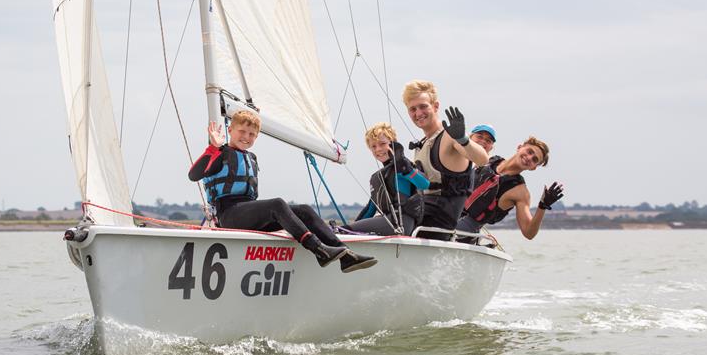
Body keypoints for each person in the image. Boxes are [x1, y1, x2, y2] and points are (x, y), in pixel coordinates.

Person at [188, 110, 377, 273]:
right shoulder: (220, 153)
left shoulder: (250, 157)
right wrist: (213, 147)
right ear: (230, 130)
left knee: (303, 210)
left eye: (252, 134)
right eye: (242, 131)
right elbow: (194, 174)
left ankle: (346, 255)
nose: (246, 136)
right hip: (228, 215)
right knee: (277, 204)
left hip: (246, 212)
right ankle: (319, 251)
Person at [402, 80, 489, 239]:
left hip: (437, 227)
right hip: (419, 219)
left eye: (423, 106)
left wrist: (463, 139)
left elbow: (482, 159)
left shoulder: (449, 136)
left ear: (435, 106)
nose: (418, 113)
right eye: (412, 109)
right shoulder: (421, 145)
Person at [456, 136, 564, 243]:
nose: (529, 158)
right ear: (519, 147)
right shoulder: (490, 159)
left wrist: (542, 206)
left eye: (534, 160)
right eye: (529, 151)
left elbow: (529, 233)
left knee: (445, 224)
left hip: (466, 227)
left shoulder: (520, 193)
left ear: (533, 168)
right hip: (451, 205)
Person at [342, 122, 430, 236]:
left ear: (393, 143)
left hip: (402, 223)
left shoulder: (403, 166)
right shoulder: (378, 177)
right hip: (388, 221)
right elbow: (370, 210)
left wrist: (407, 169)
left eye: (382, 144)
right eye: (373, 146)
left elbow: (424, 184)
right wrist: (348, 231)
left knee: (342, 230)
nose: (378, 149)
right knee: (342, 230)